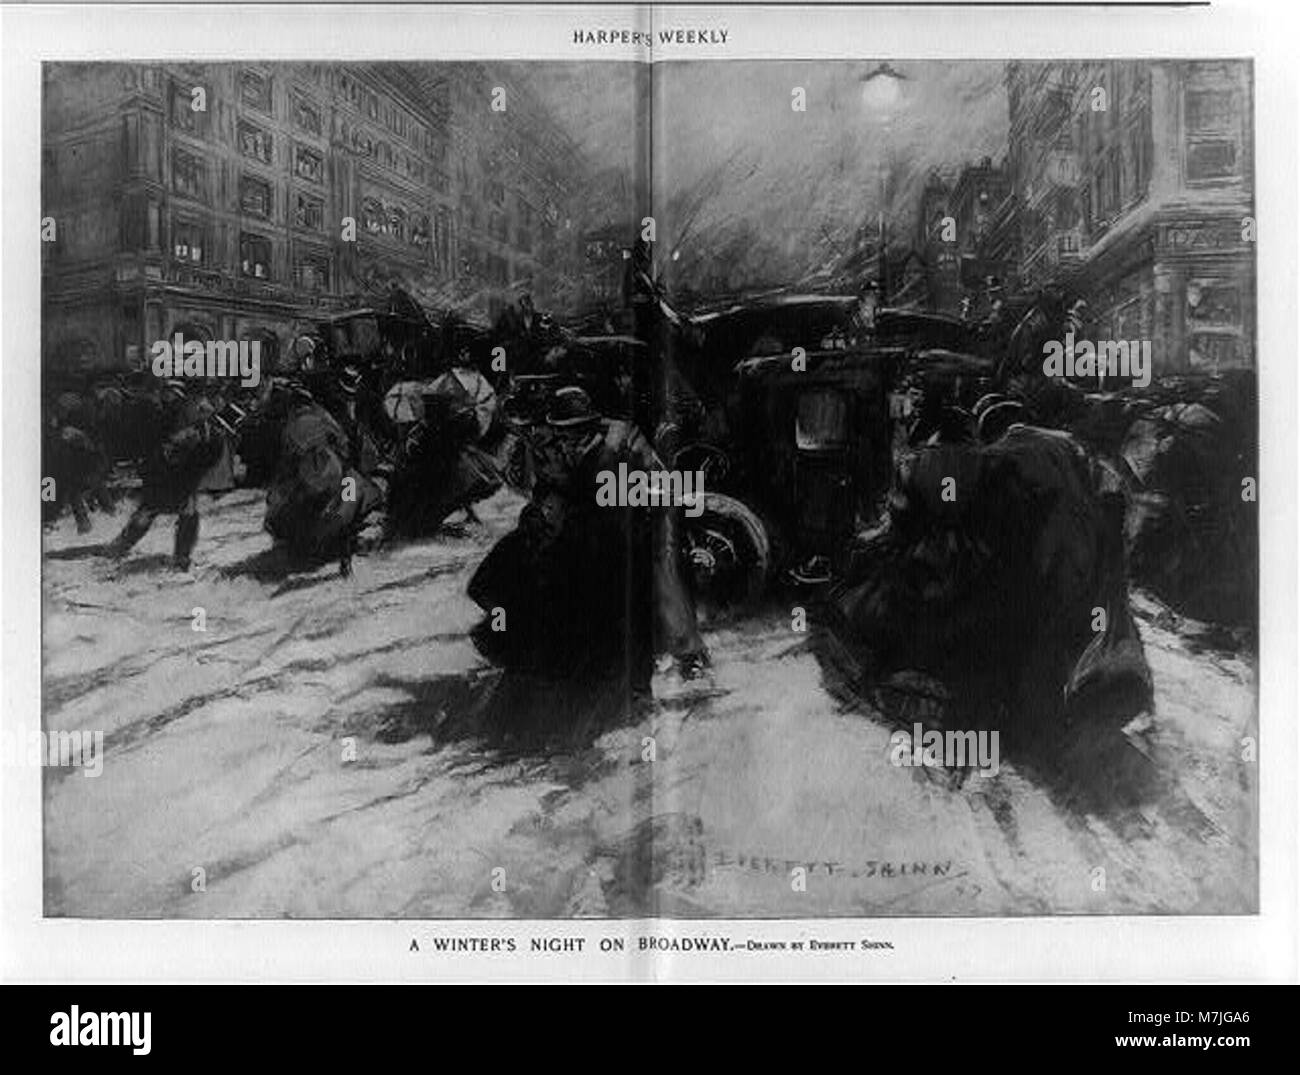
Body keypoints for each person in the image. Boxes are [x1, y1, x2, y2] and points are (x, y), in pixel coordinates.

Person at [469, 386, 706, 696]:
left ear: (590, 426)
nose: (566, 440)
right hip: (588, 536)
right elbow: (554, 493)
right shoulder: (560, 450)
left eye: (574, 433)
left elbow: (653, 492)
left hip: (630, 537)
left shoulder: (621, 449)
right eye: (562, 433)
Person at [106, 381, 225, 570]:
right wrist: (169, 450)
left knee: (187, 510)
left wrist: (190, 448)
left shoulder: (210, 433)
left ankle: (181, 558)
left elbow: (208, 458)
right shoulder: (165, 418)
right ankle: (121, 547)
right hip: (162, 474)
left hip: (186, 475)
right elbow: (152, 448)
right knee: (150, 509)